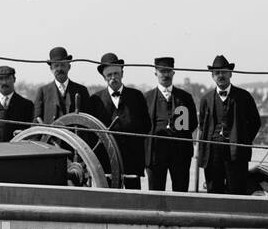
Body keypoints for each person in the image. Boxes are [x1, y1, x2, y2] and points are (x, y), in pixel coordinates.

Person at [196, 54, 260, 193]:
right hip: (212, 153)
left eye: (224, 72)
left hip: (236, 153)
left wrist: (243, 139)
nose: (221, 75)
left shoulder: (244, 97)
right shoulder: (206, 99)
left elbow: (255, 122)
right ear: (212, 76)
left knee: (237, 191)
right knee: (213, 191)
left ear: (230, 73)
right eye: (217, 73)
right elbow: (202, 125)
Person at [90, 53, 150, 189]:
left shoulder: (137, 96)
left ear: (122, 73)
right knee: (108, 199)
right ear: (104, 77)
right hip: (106, 160)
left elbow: (146, 126)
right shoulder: (95, 100)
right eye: (109, 75)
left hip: (132, 159)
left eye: (116, 73)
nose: (113, 78)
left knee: (134, 198)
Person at [143, 56, 197, 192]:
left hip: (179, 155)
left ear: (173, 72)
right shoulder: (146, 98)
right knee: (155, 194)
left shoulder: (185, 98)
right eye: (162, 71)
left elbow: (192, 124)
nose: (165, 75)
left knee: (181, 193)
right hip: (155, 155)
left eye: (168, 71)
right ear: (156, 73)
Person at [31, 46, 95, 122]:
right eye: (56, 66)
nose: (59, 69)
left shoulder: (81, 90)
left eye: (63, 65)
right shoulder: (43, 92)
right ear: (51, 69)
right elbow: (36, 121)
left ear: (69, 67)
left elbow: (88, 120)